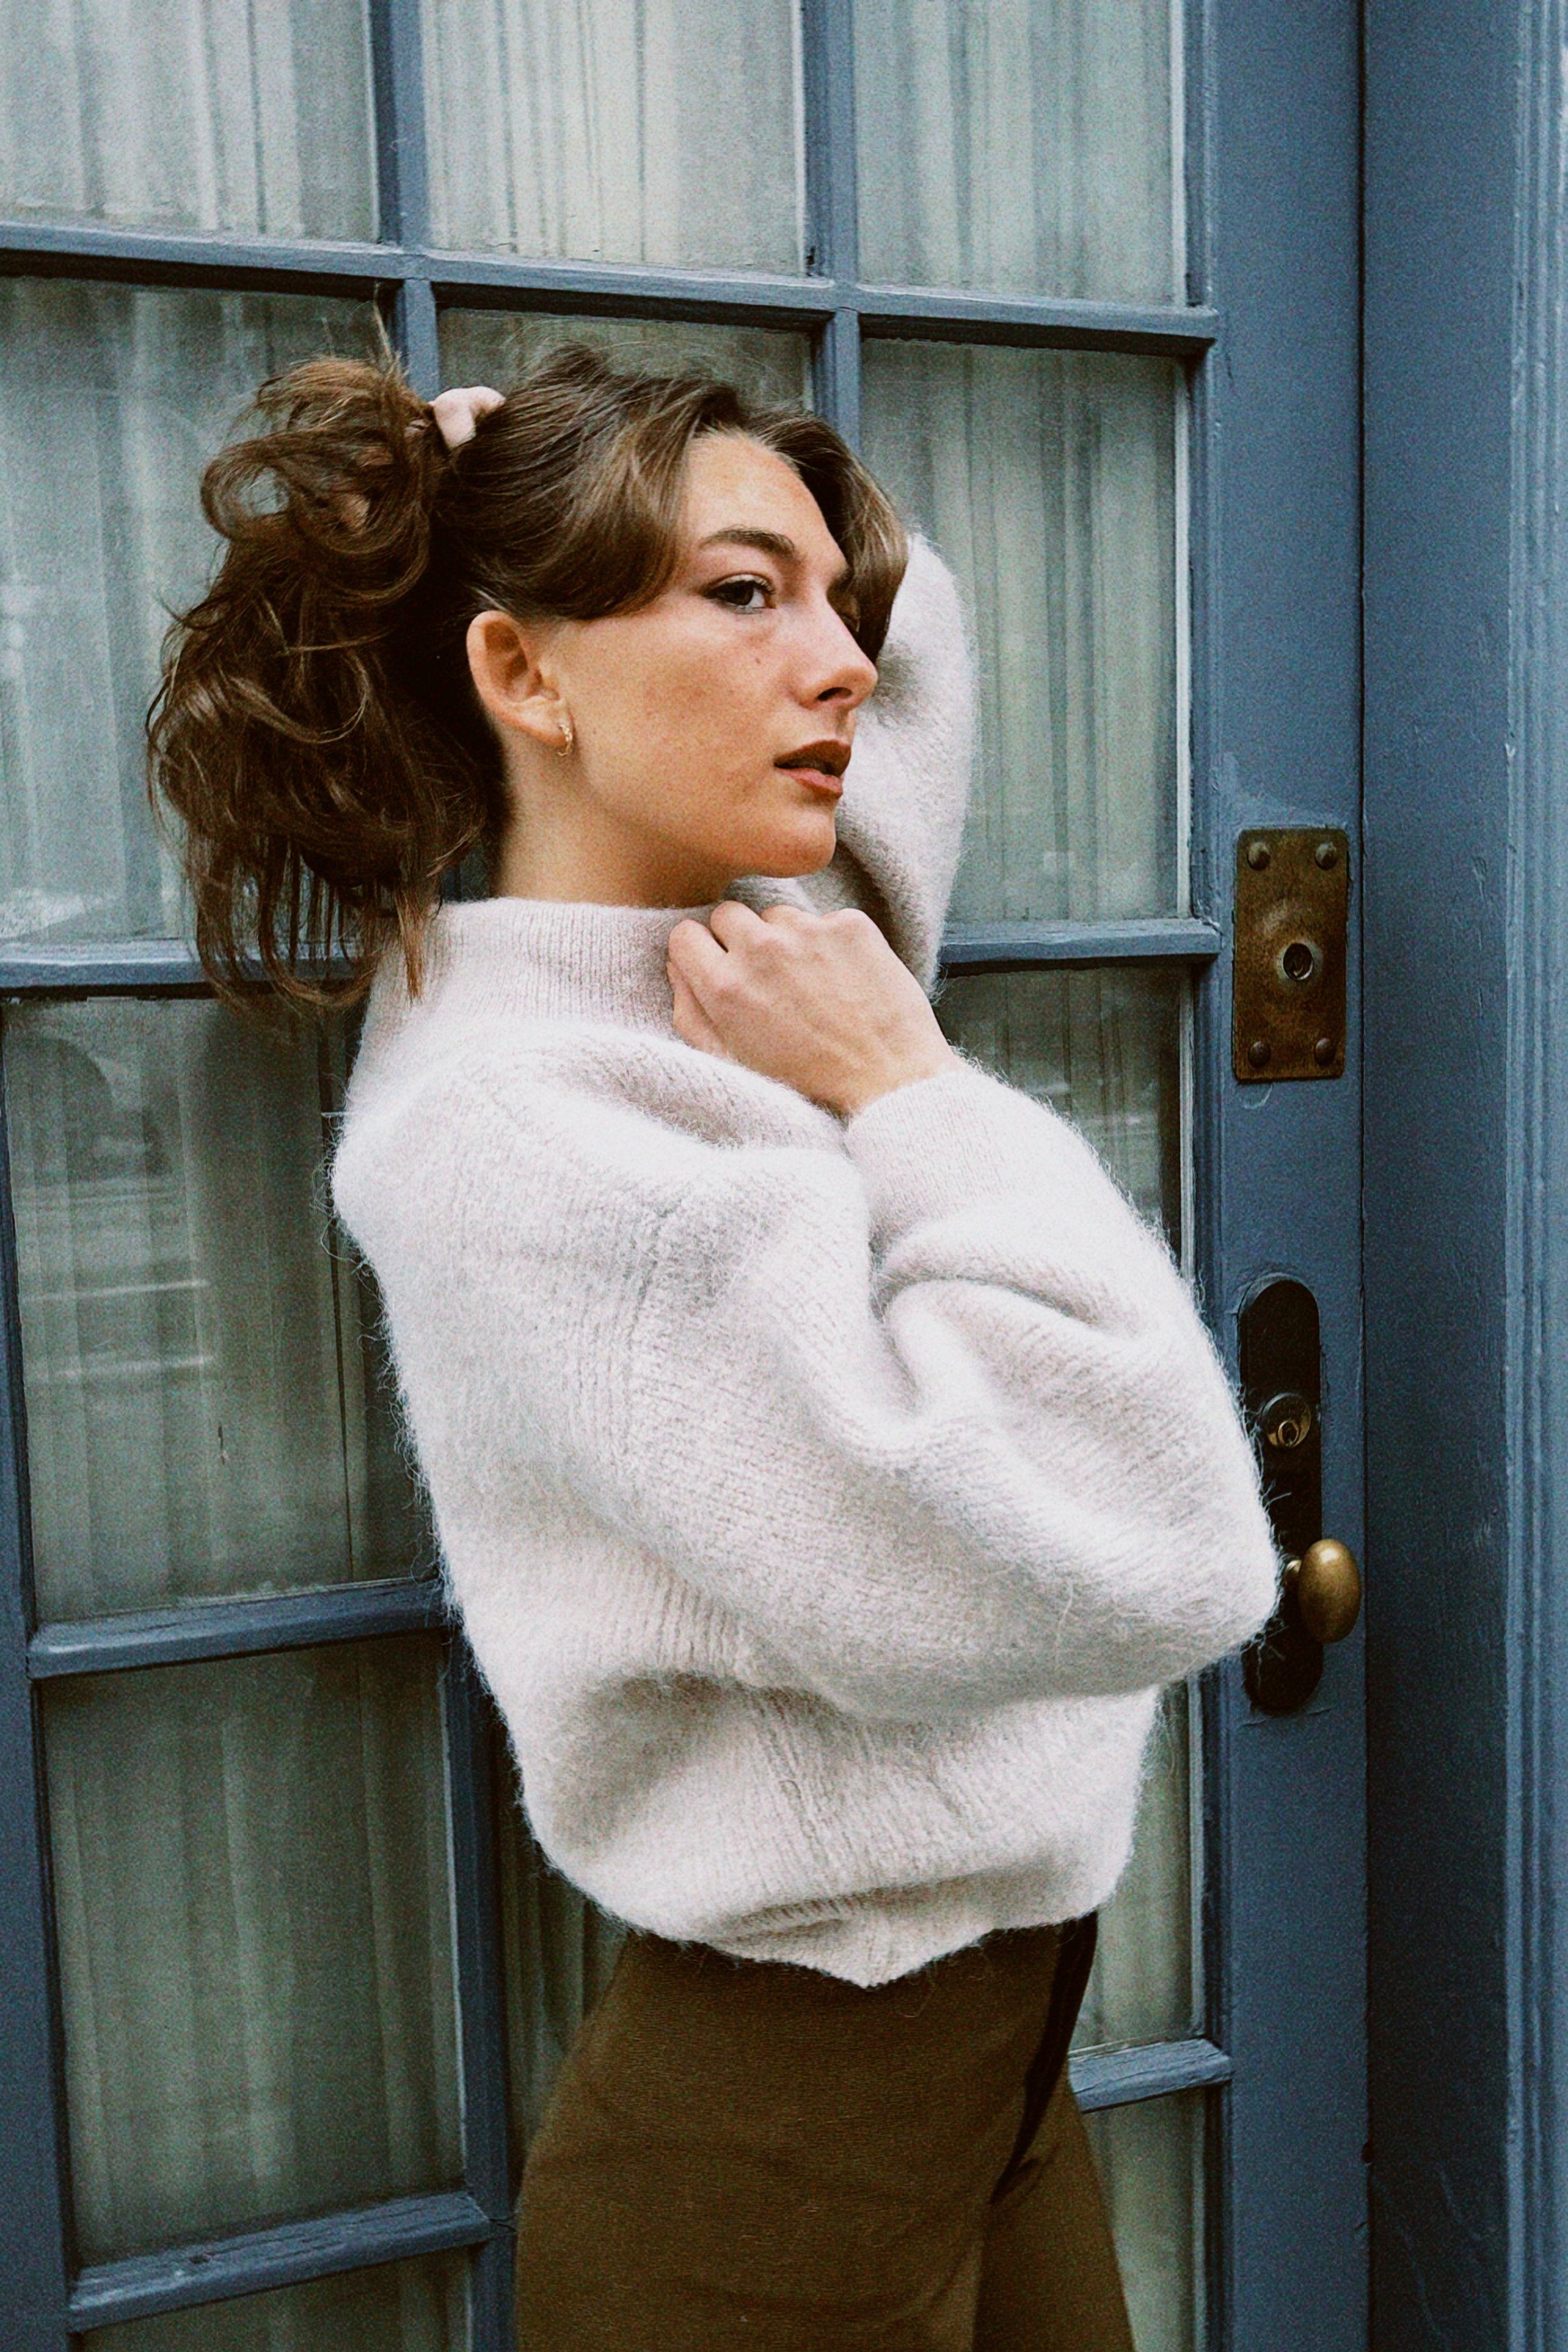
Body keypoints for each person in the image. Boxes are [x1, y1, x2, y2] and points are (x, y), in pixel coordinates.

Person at [149, 345, 1278, 2350]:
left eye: (825, 600)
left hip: (994, 2061)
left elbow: (912, 636)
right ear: (524, 676)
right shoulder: (537, 1130)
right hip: (779, 2151)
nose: (840, 664)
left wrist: (503, 464)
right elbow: (1156, 1541)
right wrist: (911, 1089)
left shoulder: (755, 949)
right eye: (745, 596)